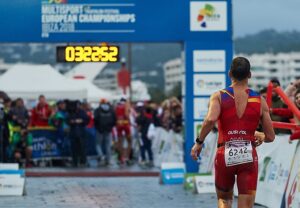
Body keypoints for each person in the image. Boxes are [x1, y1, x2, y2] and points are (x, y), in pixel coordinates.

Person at [190, 57, 275, 208]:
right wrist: (260, 135)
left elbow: (210, 120)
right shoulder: (259, 100)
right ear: (250, 75)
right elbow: (270, 136)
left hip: (224, 153)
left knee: (224, 201)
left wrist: (199, 142)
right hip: (248, 156)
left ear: (230, 73)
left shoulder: (218, 96)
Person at [66, 100, 89, 167]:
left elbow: (86, 120)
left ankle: (83, 161)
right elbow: (68, 120)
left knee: (82, 148)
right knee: (74, 148)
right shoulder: (70, 112)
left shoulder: (82, 112)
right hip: (73, 132)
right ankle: (75, 162)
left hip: (81, 132)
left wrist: (80, 121)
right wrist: (73, 121)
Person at [94, 99, 116, 166]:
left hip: (99, 130)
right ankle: (108, 160)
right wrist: (110, 127)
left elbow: (95, 119)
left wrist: (98, 127)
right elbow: (115, 119)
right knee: (107, 145)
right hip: (108, 130)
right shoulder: (111, 110)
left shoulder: (97, 110)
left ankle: (101, 156)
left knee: (98, 144)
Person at [115, 98, 132, 165]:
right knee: (129, 142)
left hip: (119, 124)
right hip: (126, 124)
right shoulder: (126, 105)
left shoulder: (117, 107)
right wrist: (129, 121)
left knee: (120, 142)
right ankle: (127, 158)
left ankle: (121, 158)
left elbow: (116, 116)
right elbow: (127, 114)